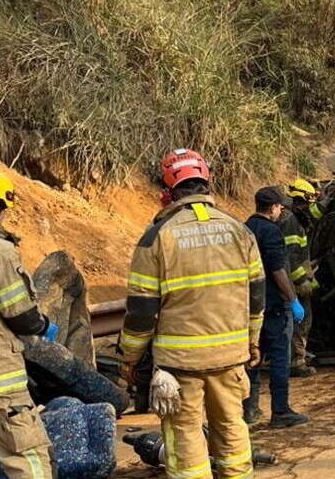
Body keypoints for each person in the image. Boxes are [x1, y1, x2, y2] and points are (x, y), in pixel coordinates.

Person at [118, 149, 264, 479]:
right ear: (206, 184)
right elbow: (256, 296)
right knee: (232, 430)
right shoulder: (241, 231)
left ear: (167, 193)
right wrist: (253, 341)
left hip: (179, 363)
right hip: (230, 356)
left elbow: (141, 311)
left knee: (185, 441)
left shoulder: (156, 237)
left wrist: (130, 357)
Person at [0, 172, 58, 478]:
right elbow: (19, 313)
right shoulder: (1, 253)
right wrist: (42, 325)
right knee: (28, 458)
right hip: (1, 385)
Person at [243, 187, 310, 428]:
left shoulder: (244, 229)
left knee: (253, 357)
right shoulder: (272, 232)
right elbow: (278, 270)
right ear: (272, 207)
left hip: (250, 306)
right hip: (275, 306)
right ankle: (280, 411)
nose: (282, 209)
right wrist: (292, 299)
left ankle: (249, 409)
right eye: (280, 205)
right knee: (281, 358)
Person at [280, 180, 320, 378]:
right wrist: (302, 280)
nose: (310, 207)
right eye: (309, 202)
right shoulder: (290, 221)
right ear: (301, 200)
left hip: (288, 281)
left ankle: (293, 359)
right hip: (291, 284)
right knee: (301, 321)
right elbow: (290, 256)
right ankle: (297, 362)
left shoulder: (291, 216)